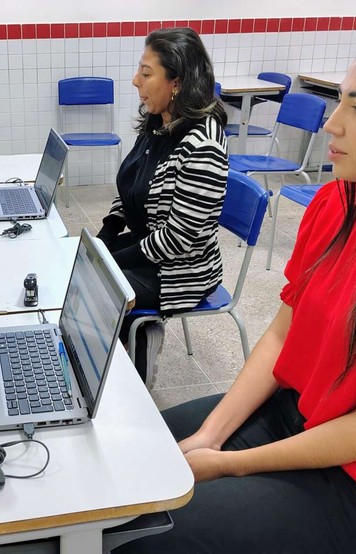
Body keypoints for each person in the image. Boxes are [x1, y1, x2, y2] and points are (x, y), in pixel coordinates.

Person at [114, 29, 356, 552]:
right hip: (295, 416)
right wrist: (211, 434)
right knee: (125, 462)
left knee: (155, 534)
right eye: (340, 100)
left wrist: (229, 464)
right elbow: (279, 337)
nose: (332, 123)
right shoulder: (338, 203)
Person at [95, 27, 228, 381]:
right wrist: (107, 234)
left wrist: (111, 260)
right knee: (84, 268)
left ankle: (134, 359)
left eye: (146, 72)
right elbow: (132, 188)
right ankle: (122, 349)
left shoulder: (203, 146)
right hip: (147, 247)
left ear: (177, 82)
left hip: (180, 270)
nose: (135, 80)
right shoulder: (157, 122)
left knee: (99, 288)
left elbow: (177, 239)